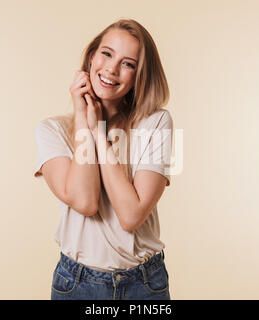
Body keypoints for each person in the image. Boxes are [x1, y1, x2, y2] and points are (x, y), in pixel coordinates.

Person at [33, 18, 173, 300]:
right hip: (76, 282)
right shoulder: (51, 131)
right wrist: (84, 118)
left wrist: (99, 132)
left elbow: (131, 215)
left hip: (144, 284)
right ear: (92, 57)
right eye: (107, 54)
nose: (111, 68)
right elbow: (85, 202)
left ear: (139, 75)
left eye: (128, 63)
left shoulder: (156, 123)